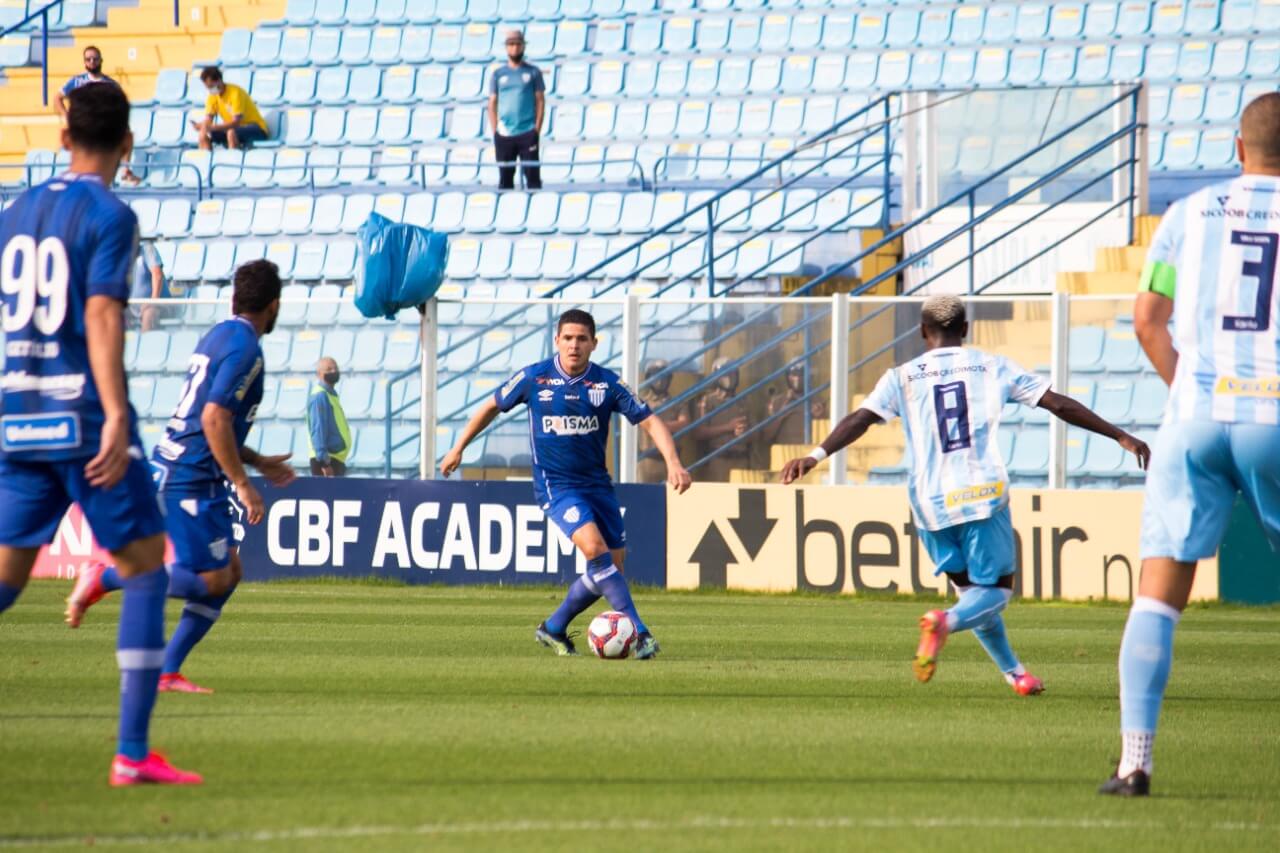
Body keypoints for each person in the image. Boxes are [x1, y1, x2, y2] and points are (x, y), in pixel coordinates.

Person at [781, 296, 1150, 697]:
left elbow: (860, 420)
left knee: (973, 595)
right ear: (966, 328)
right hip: (980, 495)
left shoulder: (901, 376)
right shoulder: (993, 366)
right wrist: (1120, 435)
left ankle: (1015, 674)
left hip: (929, 503)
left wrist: (815, 455)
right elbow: (1058, 404)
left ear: (923, 332)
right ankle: (945, 624)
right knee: (997, 593)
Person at [0, 83, 201, 785]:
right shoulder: (111, 214)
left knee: (6, 577)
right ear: (127, 145)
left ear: (63, 137)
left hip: (17, 417)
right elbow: (103, 315)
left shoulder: (14, 211)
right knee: (148, 565)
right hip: (81, 420)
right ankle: (133, 751)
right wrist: (115, 412)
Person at [1098, 92, 1280, 798]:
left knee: (1159, 594)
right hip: (1274, 417)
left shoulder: (1185, 215)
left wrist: (1185, 393)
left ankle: (1134, 762)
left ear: (1239, 149)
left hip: (1196, 415)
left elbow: (1148, 320)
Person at [70, 260, 296, 695]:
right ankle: (106, 576)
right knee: (212, 579)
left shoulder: (219, 335)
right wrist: (245, 485)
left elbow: (211, 422)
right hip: (189, 476)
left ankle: (168, 672)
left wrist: (257, 460)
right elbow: (212, 420)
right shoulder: (245, 348)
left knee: (229, 570)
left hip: (192, 470)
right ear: (273, 305)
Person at [441, 309, 691, 659]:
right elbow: (492, 406)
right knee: (595, 551)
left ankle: (553, 627)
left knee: (609, 571)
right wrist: (458, 448)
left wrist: (674, 462)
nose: (574, 345)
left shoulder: (607, 384)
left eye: (582, 339)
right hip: (557, 486)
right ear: (556, 340)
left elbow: (649, 421)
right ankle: (641, 633)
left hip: (599, 487)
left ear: (594, 343)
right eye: (568, 338)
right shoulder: (534, 378)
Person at [55, 46, 140, 185]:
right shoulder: (77, 81)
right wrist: (67, 116)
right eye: (88, 59)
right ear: (84, 62)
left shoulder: (110, 84)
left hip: (103, 126)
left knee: (125, 132)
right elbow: (57, 98)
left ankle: (125, 171)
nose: (92, 61)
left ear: (101, 60)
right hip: (83, 126)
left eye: (95, 58)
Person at [488, 30, 545, 191]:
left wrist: (536, 129)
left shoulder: (533, 72)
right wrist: (496, 131)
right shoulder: (498, 74)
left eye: (518, 44)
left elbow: (540, 100)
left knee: (533, 178)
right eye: (511, 45)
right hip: (505, 134)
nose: (515, 48)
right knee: (505, 180)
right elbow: (492, 103)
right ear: (506, 48)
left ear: (523, 47)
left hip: (527, 132)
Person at [692, 356, 750, 482]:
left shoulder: (744, 401)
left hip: (741, 461)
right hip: (718, 460)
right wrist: (728, 427)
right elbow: (699, 433)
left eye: (733, 374)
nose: (730, 378)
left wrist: (745, 432)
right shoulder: (707, 401)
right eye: (725, 374)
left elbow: (757, 434)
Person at [637, 359, 691, 484]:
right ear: (648, 378)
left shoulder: (678, 401)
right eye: (656, 376)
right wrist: (666, 426)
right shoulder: (640, 401)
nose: (660, 381)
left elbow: (684, 423)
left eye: (664, 376)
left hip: (671, 463)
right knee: (642, 499)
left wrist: (657, 426)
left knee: (672, 500)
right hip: (647, 461)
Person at [191, 66, 269, 151]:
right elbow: (208, 119)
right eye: (207, 87)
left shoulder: (235, 93)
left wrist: (212, 127)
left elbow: (235, 123)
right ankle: (206, 161)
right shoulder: (212, 96)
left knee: (231, 132)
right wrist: (202, 126)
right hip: (232, 129)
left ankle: (233, 160)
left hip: (256, 129)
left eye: (211, 86)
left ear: (219, 80)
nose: (210, 89)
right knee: (203, 134)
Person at [763, 363, 829, 446]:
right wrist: (780, 416)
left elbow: (828, 433)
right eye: (794, 374)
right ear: (787, 376)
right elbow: (766, 436)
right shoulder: (776, 402)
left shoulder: (817, 401)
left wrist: (820, 416)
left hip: (810, 452)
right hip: (785, 453)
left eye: (802, 374)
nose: (797, 378)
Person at [307, 356, 351, 477]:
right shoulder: (320, 396)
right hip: (326, 461)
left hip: (334, 459)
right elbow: (318, 430)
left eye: (335, 368)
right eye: (329, 369)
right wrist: (324, 463)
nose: (333, 371)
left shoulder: (330, 395)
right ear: (319, 374)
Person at [129, 239, 172, 331]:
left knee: (149, 313)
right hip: (133, 307)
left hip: (160, 304)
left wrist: (153, 300)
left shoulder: (147, 249)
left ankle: (145, 343)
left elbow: (157, 274)